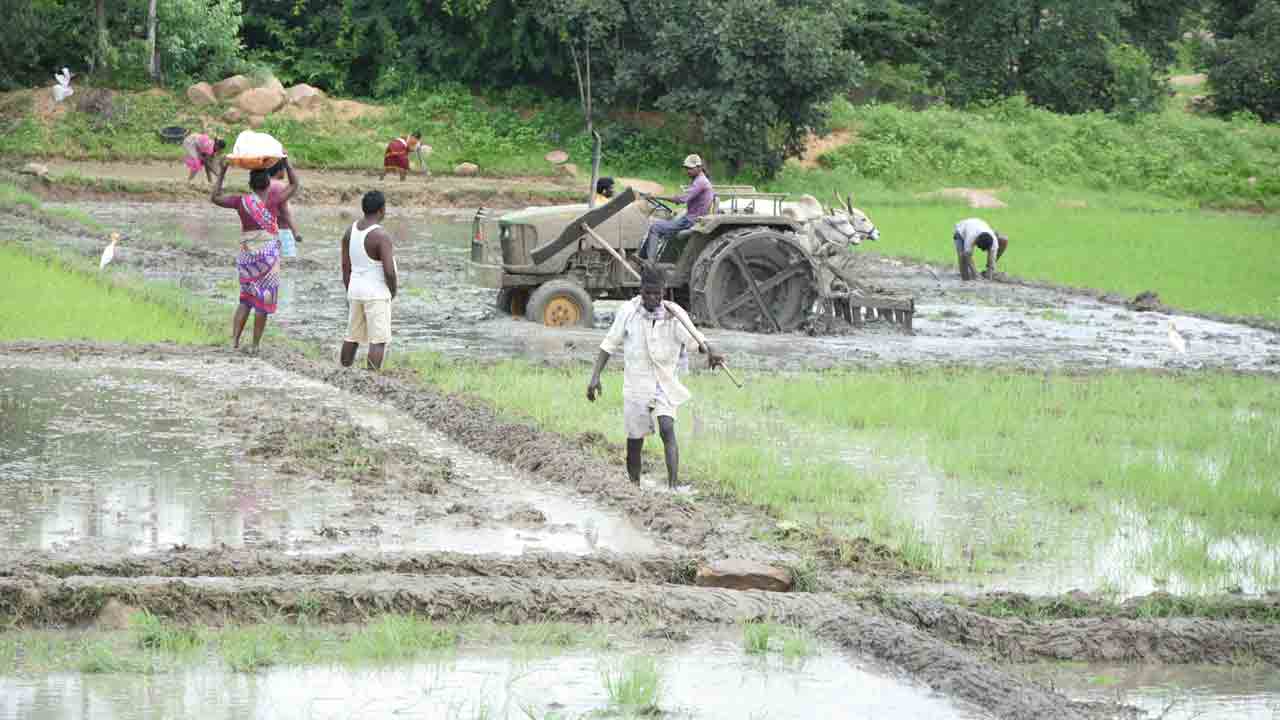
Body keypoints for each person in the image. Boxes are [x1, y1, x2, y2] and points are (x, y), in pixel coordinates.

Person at [587, 265, 726, 488]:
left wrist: (711, 350)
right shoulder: (628, 312)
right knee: (635, 439)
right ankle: (634, 486)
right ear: (640, 290)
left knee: (667, 429)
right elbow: (609, 344)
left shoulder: (675, 315)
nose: (652, 298)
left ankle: (673, 486)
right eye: (647, 293)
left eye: (657, 293)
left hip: (665, 382)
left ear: (664, 291)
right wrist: (595, 377)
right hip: (637, 383)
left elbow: (696, 340)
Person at [211, 160, 300, 354]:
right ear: (268, 184)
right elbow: (295, 184)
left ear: (250, 185)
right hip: (267, 258)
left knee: (245, 300)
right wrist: (286, 163)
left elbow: (215, 197)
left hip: (247, 257)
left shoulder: (241, 202)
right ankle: (255, 345)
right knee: (263, 302)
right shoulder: (274, 201)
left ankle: (234, 342)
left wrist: (223, 171)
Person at [340, 191, 398, 370]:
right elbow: (389, 272)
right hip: (376, 293)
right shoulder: (381, 236)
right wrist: (392, 290)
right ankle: (372, 378)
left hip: (355, 289)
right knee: (378, 340)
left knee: (352, 336)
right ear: (381, 210)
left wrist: (349, 288)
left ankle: (342, 371)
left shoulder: (350, 231)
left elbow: (345, 266)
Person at [638, 154, 714, 259]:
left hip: (691, 221)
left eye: (690, 168)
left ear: (699, 167)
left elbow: (681, 199)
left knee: (655, 227)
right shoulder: (699, 180)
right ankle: (643, 258)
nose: (688, 171)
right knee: (661, 224)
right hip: (691, 218)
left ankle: (648, 262)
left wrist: (655, 196)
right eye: (686, 168)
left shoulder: (700, 182)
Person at [268, 160, 302, 258]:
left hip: (267, 231)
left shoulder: (263, 185)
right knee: (288, 262)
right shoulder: (278, 186)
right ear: (280, 170)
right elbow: (284, 211)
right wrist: (295, 232)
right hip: (282, 232)